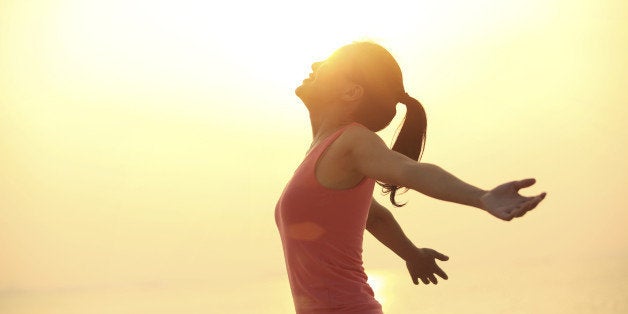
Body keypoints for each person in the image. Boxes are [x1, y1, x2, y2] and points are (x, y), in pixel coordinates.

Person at [274, 42, 546, 314]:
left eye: (329, 64)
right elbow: (373, 216)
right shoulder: (325, 150)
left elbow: (409, 170)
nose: (315, 65)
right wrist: (413, 255)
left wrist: (481, 196)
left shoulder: (353, 141)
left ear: (351, 91)